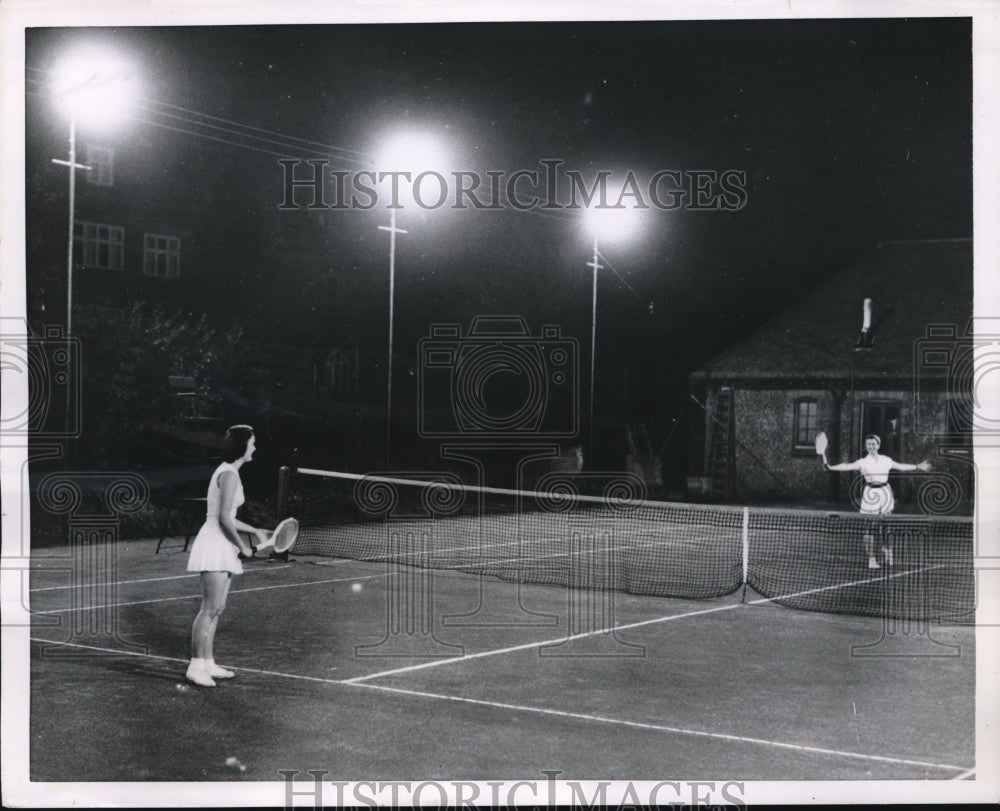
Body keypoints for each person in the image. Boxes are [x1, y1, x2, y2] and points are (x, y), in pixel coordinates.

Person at [185, 424, 271, 687]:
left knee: (217, 608)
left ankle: (208, 663)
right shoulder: (229, 474)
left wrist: (254, 530)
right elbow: (222, 518)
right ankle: (195, 666)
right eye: (252, 443)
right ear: (242, 446)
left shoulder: (230, 472)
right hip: (214, 543)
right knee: (209, 608)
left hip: (221, 542)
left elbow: (228, 517)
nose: (255, 448)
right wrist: (243, 547)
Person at [822, 434, 931, 569]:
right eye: (868, 444)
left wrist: (917, 466)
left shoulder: (886, 460)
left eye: (873, 444)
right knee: (870, 527)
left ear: (878, 445)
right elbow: (847, 466)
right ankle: (871, 559)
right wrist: (831, 467)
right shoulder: (863, 462)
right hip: (870, 494)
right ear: (866, 446)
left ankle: (888, 551)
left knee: (887, 525)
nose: (871, 446)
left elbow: (901, 466)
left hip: (885, 492)